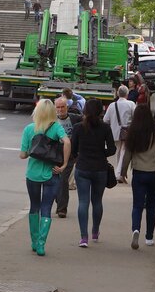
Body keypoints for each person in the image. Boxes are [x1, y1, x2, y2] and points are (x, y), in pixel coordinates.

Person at [119, 103, 155, 249]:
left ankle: (136, 229)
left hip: (138, 173)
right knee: (151, 206)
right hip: (154, 174)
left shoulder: (133, 134)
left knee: (137, 205)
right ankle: (149, 237)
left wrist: (123, 173)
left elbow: (127, 156)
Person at [20, 99, 70, 256]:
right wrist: (64, 164)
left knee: (34, 206)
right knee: (46, 208)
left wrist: (30, 151)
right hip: (52, 173)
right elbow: (67, 142)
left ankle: (34, 242)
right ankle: (41, 244)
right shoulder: (56, 127)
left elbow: (23, 155)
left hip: (33, 175)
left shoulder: (29, 129)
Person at [71, 100, 116, 247]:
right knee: (97, 201)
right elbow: (112, 149)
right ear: (100, 112)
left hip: (83, 167)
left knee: (83, 202)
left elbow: (72, 149)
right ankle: (95, 231)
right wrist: (101, 153)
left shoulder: (78, 128)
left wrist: (79, 156)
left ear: (84, 111)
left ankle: (84, 237)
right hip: (100, 168)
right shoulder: (105, 128)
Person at [52, 97, 82, 219]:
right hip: (54, 154)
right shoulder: (52, 121)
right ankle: (59, 202)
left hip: (70, 154)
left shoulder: (75, 119)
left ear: (67, 107)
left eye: (62, 107)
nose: (60, 109)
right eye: (58, 107)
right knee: (54, 180)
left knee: (63, 179)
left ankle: (62, 209)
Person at [103, 85, 136, 182]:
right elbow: (136, 117)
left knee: (118, 153)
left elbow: (105, 120)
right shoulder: (131, 104)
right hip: (127, 132)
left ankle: (119, 172)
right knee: (123, 153)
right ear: (127, 94)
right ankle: (119, 174)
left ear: (117, 93)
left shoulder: (112, 105)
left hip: (114, 132)